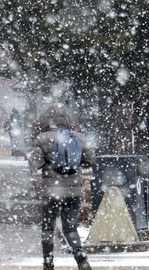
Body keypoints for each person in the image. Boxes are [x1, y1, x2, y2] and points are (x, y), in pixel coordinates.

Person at [27, 103, 95, 270]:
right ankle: (79, 255)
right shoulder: (77, 137)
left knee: (48, 228)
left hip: (52, 191)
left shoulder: (42, 139)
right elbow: (91, 159)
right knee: (70, 227)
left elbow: (34, 163)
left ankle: (48, 263)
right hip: (74, 191)